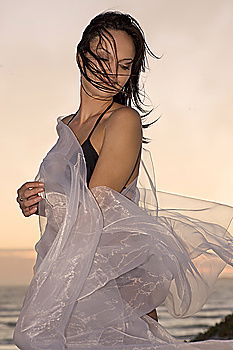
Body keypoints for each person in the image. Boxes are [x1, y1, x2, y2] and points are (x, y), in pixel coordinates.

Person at [14, 10, 233, 350]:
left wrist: (51, 204)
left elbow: (94, 213)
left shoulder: (123, 121)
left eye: (125, 65)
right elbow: (72, 205)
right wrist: (35, 200)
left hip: (114, 292)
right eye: (102, 57)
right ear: (79, 55)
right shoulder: (68, 128)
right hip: (76, 284)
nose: (112, 72)